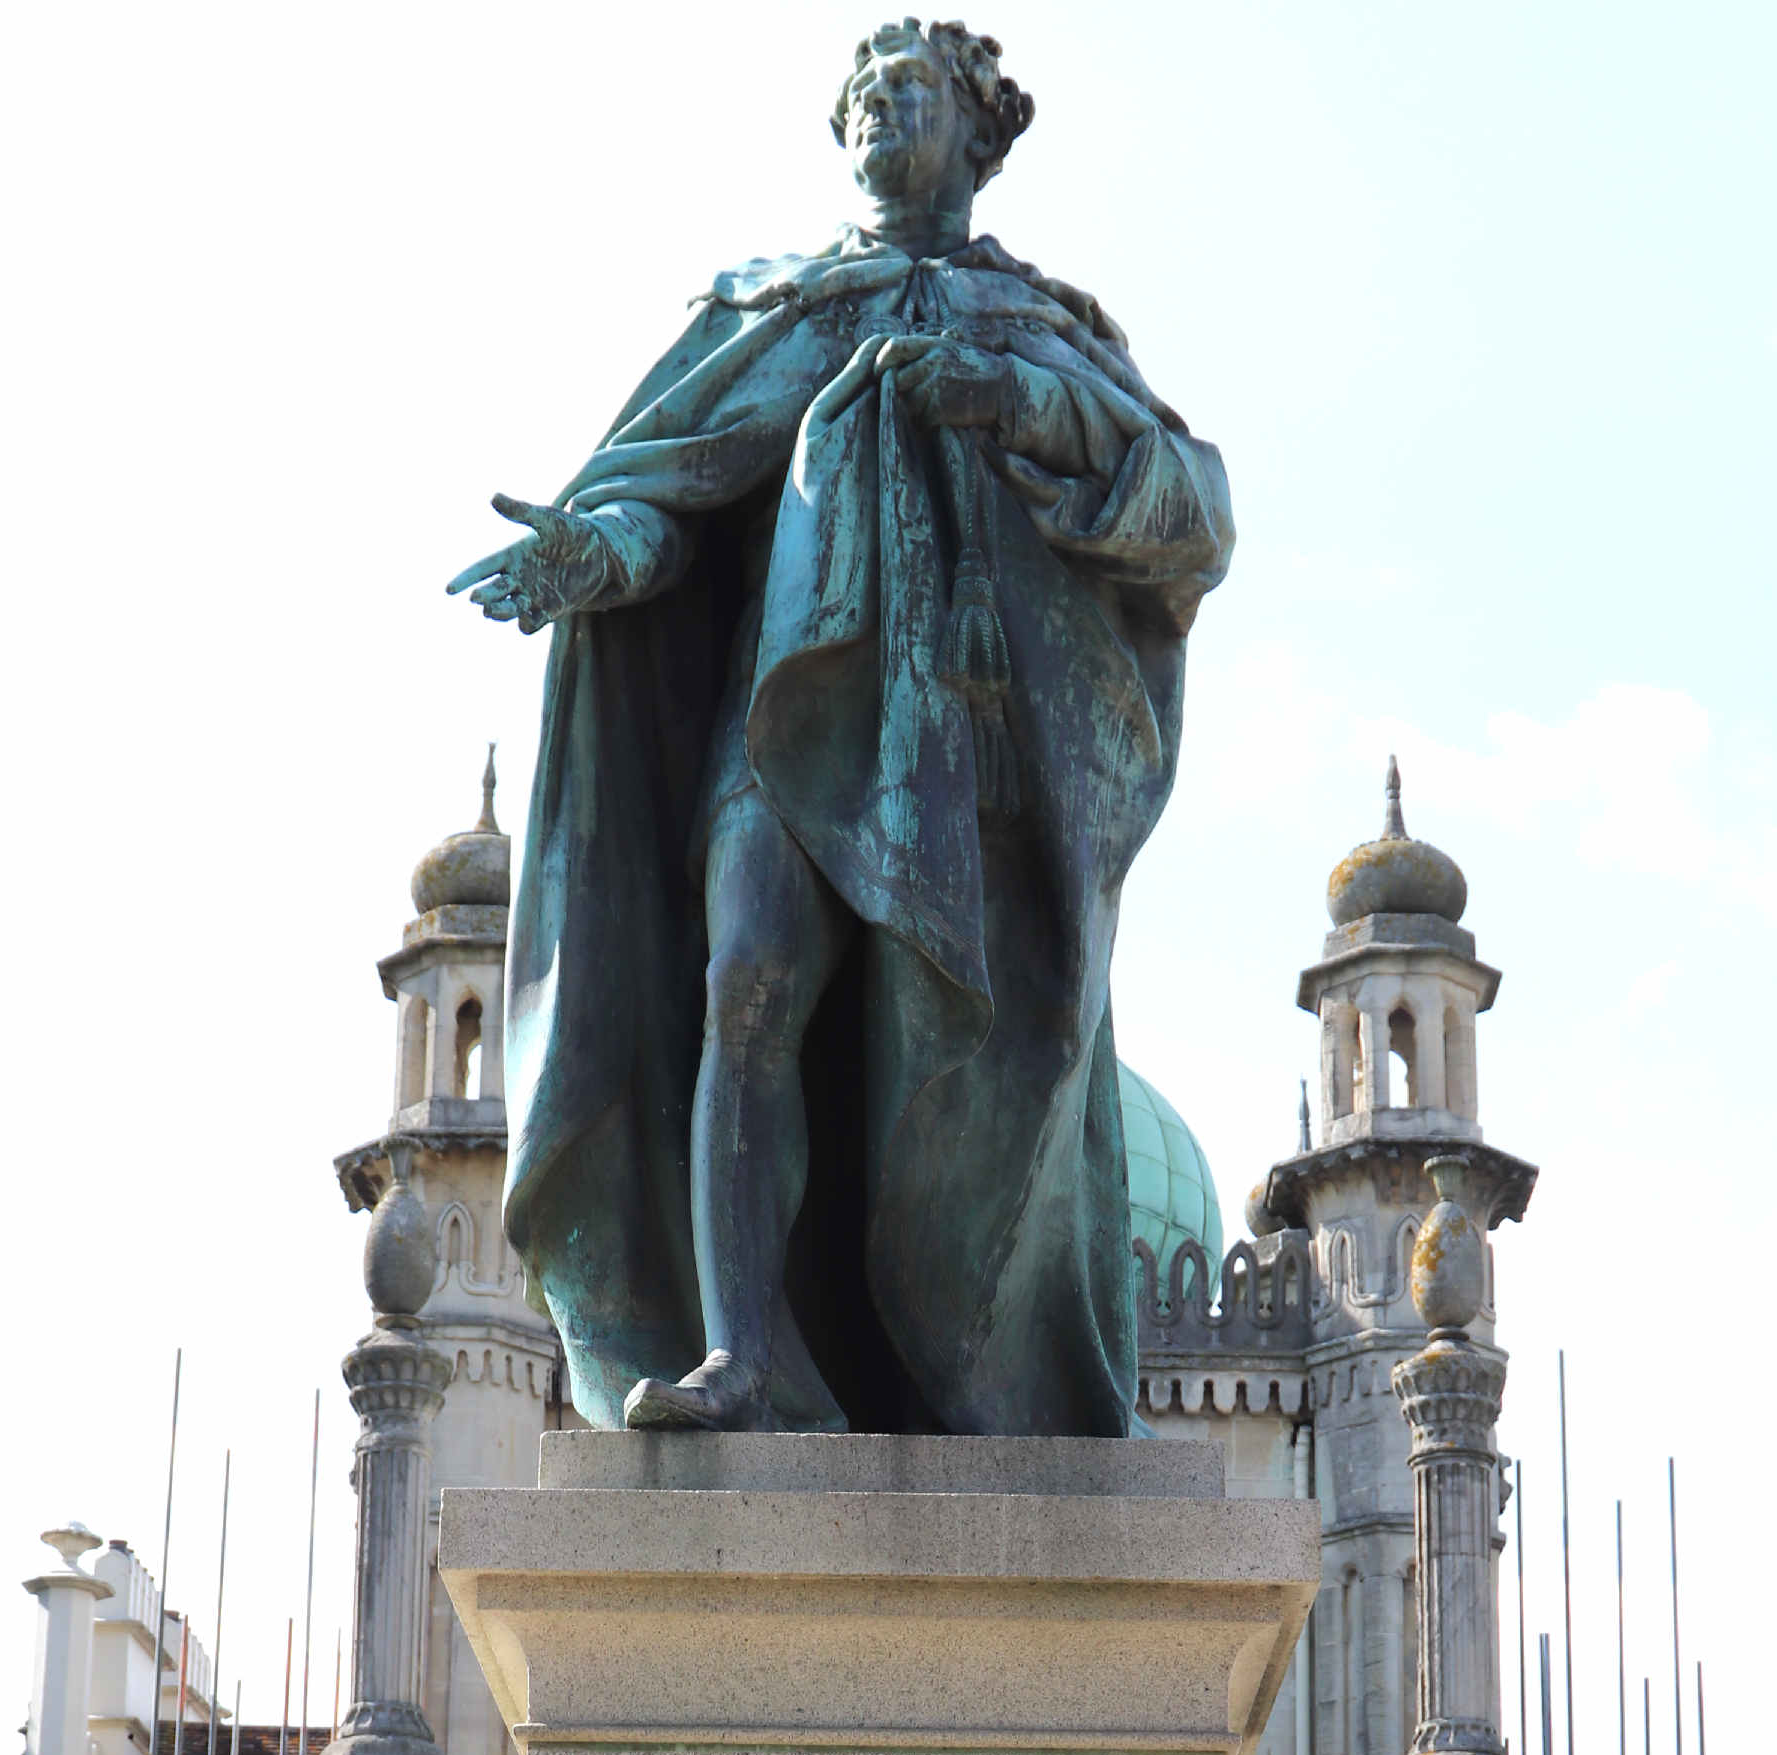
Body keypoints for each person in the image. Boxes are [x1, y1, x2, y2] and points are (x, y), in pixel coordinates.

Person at [457, 20, 1234, 1438]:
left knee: (983, 1053)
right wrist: (599, 559)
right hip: (777, 716)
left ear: (979, 131)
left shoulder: (1044, 326)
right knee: (744, 985)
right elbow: (671, 488)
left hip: (965, 754)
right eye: (863, 92)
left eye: (913, 88)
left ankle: (970, 1375)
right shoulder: (774, 303)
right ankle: (740, 1353)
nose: (883, 109)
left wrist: (1014, 400)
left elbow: (1187, 510)